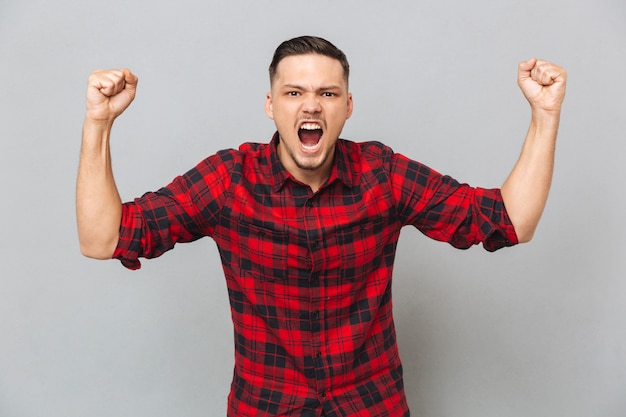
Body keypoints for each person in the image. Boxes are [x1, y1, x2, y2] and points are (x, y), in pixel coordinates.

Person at [76, 36, 567, 417]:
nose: (310, 106)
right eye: (294, 92)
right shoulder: (229, 180)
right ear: (271, 105)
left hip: (371, 404)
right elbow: (105, 237)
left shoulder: (383, 174)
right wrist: (98, 122)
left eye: (327, 93)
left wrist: (545, 115)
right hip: (265, 405)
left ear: (346, 108)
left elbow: (508, 220)